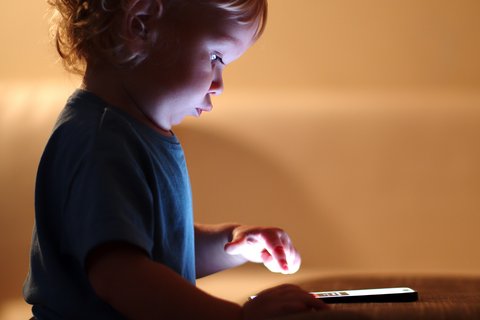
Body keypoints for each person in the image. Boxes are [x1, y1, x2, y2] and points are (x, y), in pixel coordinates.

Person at [23, 0, 329, 319]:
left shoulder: (135, 134)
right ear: (140, 25)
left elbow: (162, 248)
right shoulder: (98, 141)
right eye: (215, 58)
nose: (219, 85)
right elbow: (124, 277)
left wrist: (233, 242)